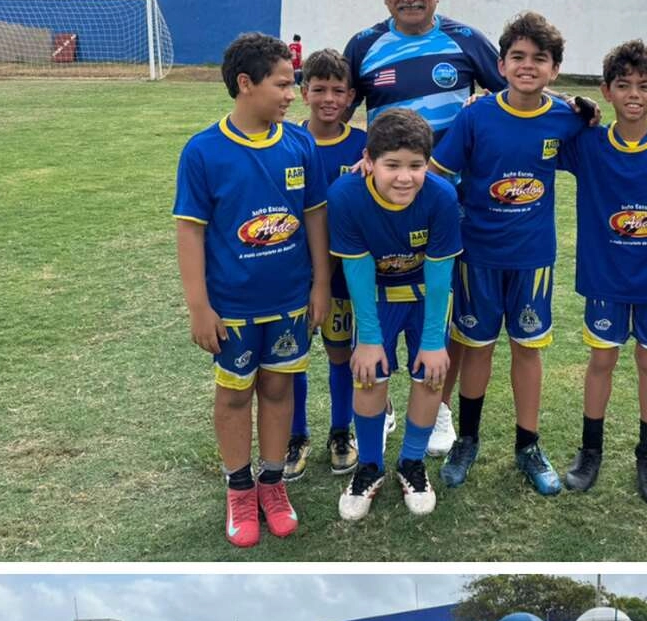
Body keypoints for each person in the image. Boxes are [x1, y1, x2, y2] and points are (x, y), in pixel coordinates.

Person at [343, 0, 507, 456]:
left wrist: (574, 105)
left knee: (446, 310)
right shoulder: (363, 46)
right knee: (383, 306)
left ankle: (437, 408)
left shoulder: (466, 41)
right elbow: (334, 116)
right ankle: (385, 405)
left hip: (452, 209)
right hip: (383, 211)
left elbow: (516, 96)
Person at [174, 33, 330, 548]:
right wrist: (199, 307)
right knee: (235, 394)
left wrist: (321, 286)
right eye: (283, 84)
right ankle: (238, 488)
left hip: (289, 301)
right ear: (246, 84)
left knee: (279, 389)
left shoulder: (299, 143)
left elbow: (314, 218)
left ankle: (272, 481)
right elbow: (191, 231)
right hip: (233, 307)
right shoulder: (203, 151)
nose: (292, 95)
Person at [431, 12, 593, 496]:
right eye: (518, 57)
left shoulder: (567, 119)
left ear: (555, 69)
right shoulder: (476, 115)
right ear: (500, 65)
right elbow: (439, 174)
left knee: (528, 348)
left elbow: (614, 144)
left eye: (539, 59)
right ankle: (469, 440)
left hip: (532, 259)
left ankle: (528, 445)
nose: (527, 66)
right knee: (477, 347)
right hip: (477, 253)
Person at [559, 39, 647, 505]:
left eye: (644, 87)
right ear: (607, 90)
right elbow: (542, 116)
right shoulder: (587, 143)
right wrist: (581, 107)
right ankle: (590, 451)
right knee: (601, 362)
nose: (633, 94)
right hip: (605, 278)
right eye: (623, 86)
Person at [327, 108, 461, 521]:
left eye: (416, 166)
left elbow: (440, 271)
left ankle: (412, 463)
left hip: (426, 295)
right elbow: (357, 267)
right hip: (377, 296)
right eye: (392, 165)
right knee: (369, 376)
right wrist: (367, 338)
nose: (405, 177)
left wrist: (435, 340)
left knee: (431, 374)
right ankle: (369, 465)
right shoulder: (345, 195)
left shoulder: (440, 196)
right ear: (368, 160)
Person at [285, 47, 366, 483]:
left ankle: (341, 431)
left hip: (342, 275)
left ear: (352, 96)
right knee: (293, 357)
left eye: (338, 90)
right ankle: (296, 435)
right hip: (294, 272)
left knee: (339, 354)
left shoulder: (365, 146)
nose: (329, 98)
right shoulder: (289, 141)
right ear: (304, 92)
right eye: (319, 89)